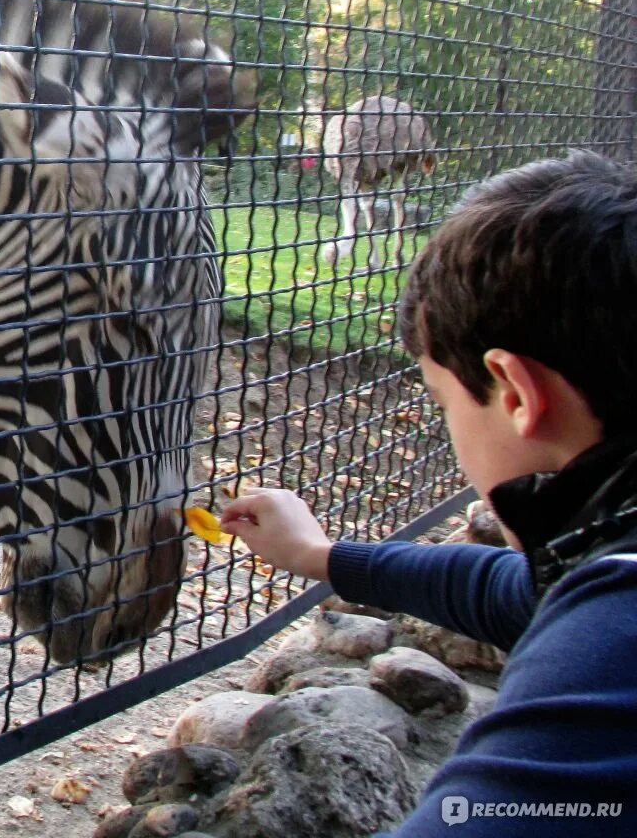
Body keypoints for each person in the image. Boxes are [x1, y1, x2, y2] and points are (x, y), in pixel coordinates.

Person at [220, 149, 637, 836]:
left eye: (443, 401)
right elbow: (516, 594)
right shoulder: (607, 552)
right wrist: (321, 555)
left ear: (515, 393)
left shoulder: (614, 643)